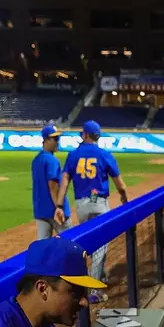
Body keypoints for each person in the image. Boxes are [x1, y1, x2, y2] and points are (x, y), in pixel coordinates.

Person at [56, 120, 130, 290]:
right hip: (100, 204)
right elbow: (120, 183)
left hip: (82, 205)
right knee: (101, 245)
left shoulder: (73, 155)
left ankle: (93, 276)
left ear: (86, 135)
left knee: (88, 242)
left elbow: (65, 180)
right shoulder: (104, 154)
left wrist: (59, 204)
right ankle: (93, 289)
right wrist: (124, 197)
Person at [30, 123, 69, 239]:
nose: (58, 142)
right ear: (46, 140)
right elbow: (52, 185)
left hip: (41, 210)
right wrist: (59, 207)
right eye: (55, 139)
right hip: (55, 211)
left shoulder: (36, 160)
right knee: (69, 243)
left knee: (43, 247)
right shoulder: (51, 160)